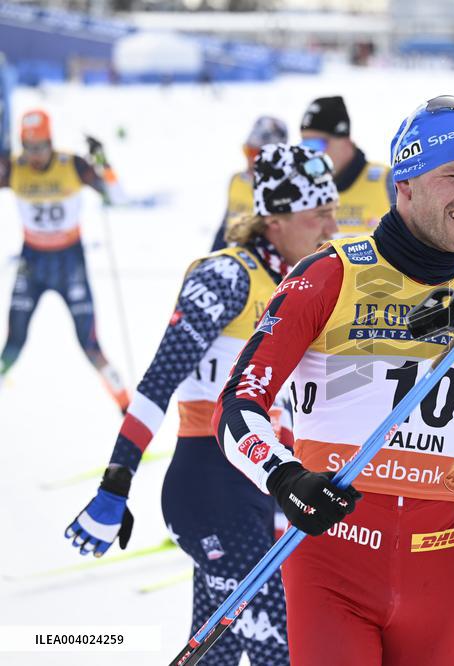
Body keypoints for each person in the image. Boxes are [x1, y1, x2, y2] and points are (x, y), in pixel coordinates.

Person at [212, 95, 454, 665]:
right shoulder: (329, 274)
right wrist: (285, 476)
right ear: (407, 181)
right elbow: (238, 405)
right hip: (331, 567)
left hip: (436, 572)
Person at [65, 144, 341, 665]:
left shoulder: (307, 285)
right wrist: (116, 483)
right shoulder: (226, 277)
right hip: (208, 487)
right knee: (279, 647)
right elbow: (158, 380)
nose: (332, 227)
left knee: (218, 650)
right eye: (318, 215)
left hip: (261, 491)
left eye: (333, 211)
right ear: (275, 220)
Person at [0, 109, 129, 412]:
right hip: (32, 262)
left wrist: (102, 161)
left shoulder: (71, 164)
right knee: (13, 344)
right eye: (30, 147)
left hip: (70, 261)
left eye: (41, 146)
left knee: (90, 344)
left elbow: (117, 196)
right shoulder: (12, 167)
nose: (36, 155)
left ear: (51, 141)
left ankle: (126, 406)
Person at [299, 95, 395, 237]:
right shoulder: (303, 188)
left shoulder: (386, 181)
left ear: (344, 140)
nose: (310, 154)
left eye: (316, 145)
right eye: (305, 146)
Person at [210, 116, 289, 251]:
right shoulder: (237, 181)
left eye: (256, 153)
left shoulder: (287, 190)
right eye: (247, 150)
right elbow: (224, 228)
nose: (250, 158)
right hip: (233, 259)